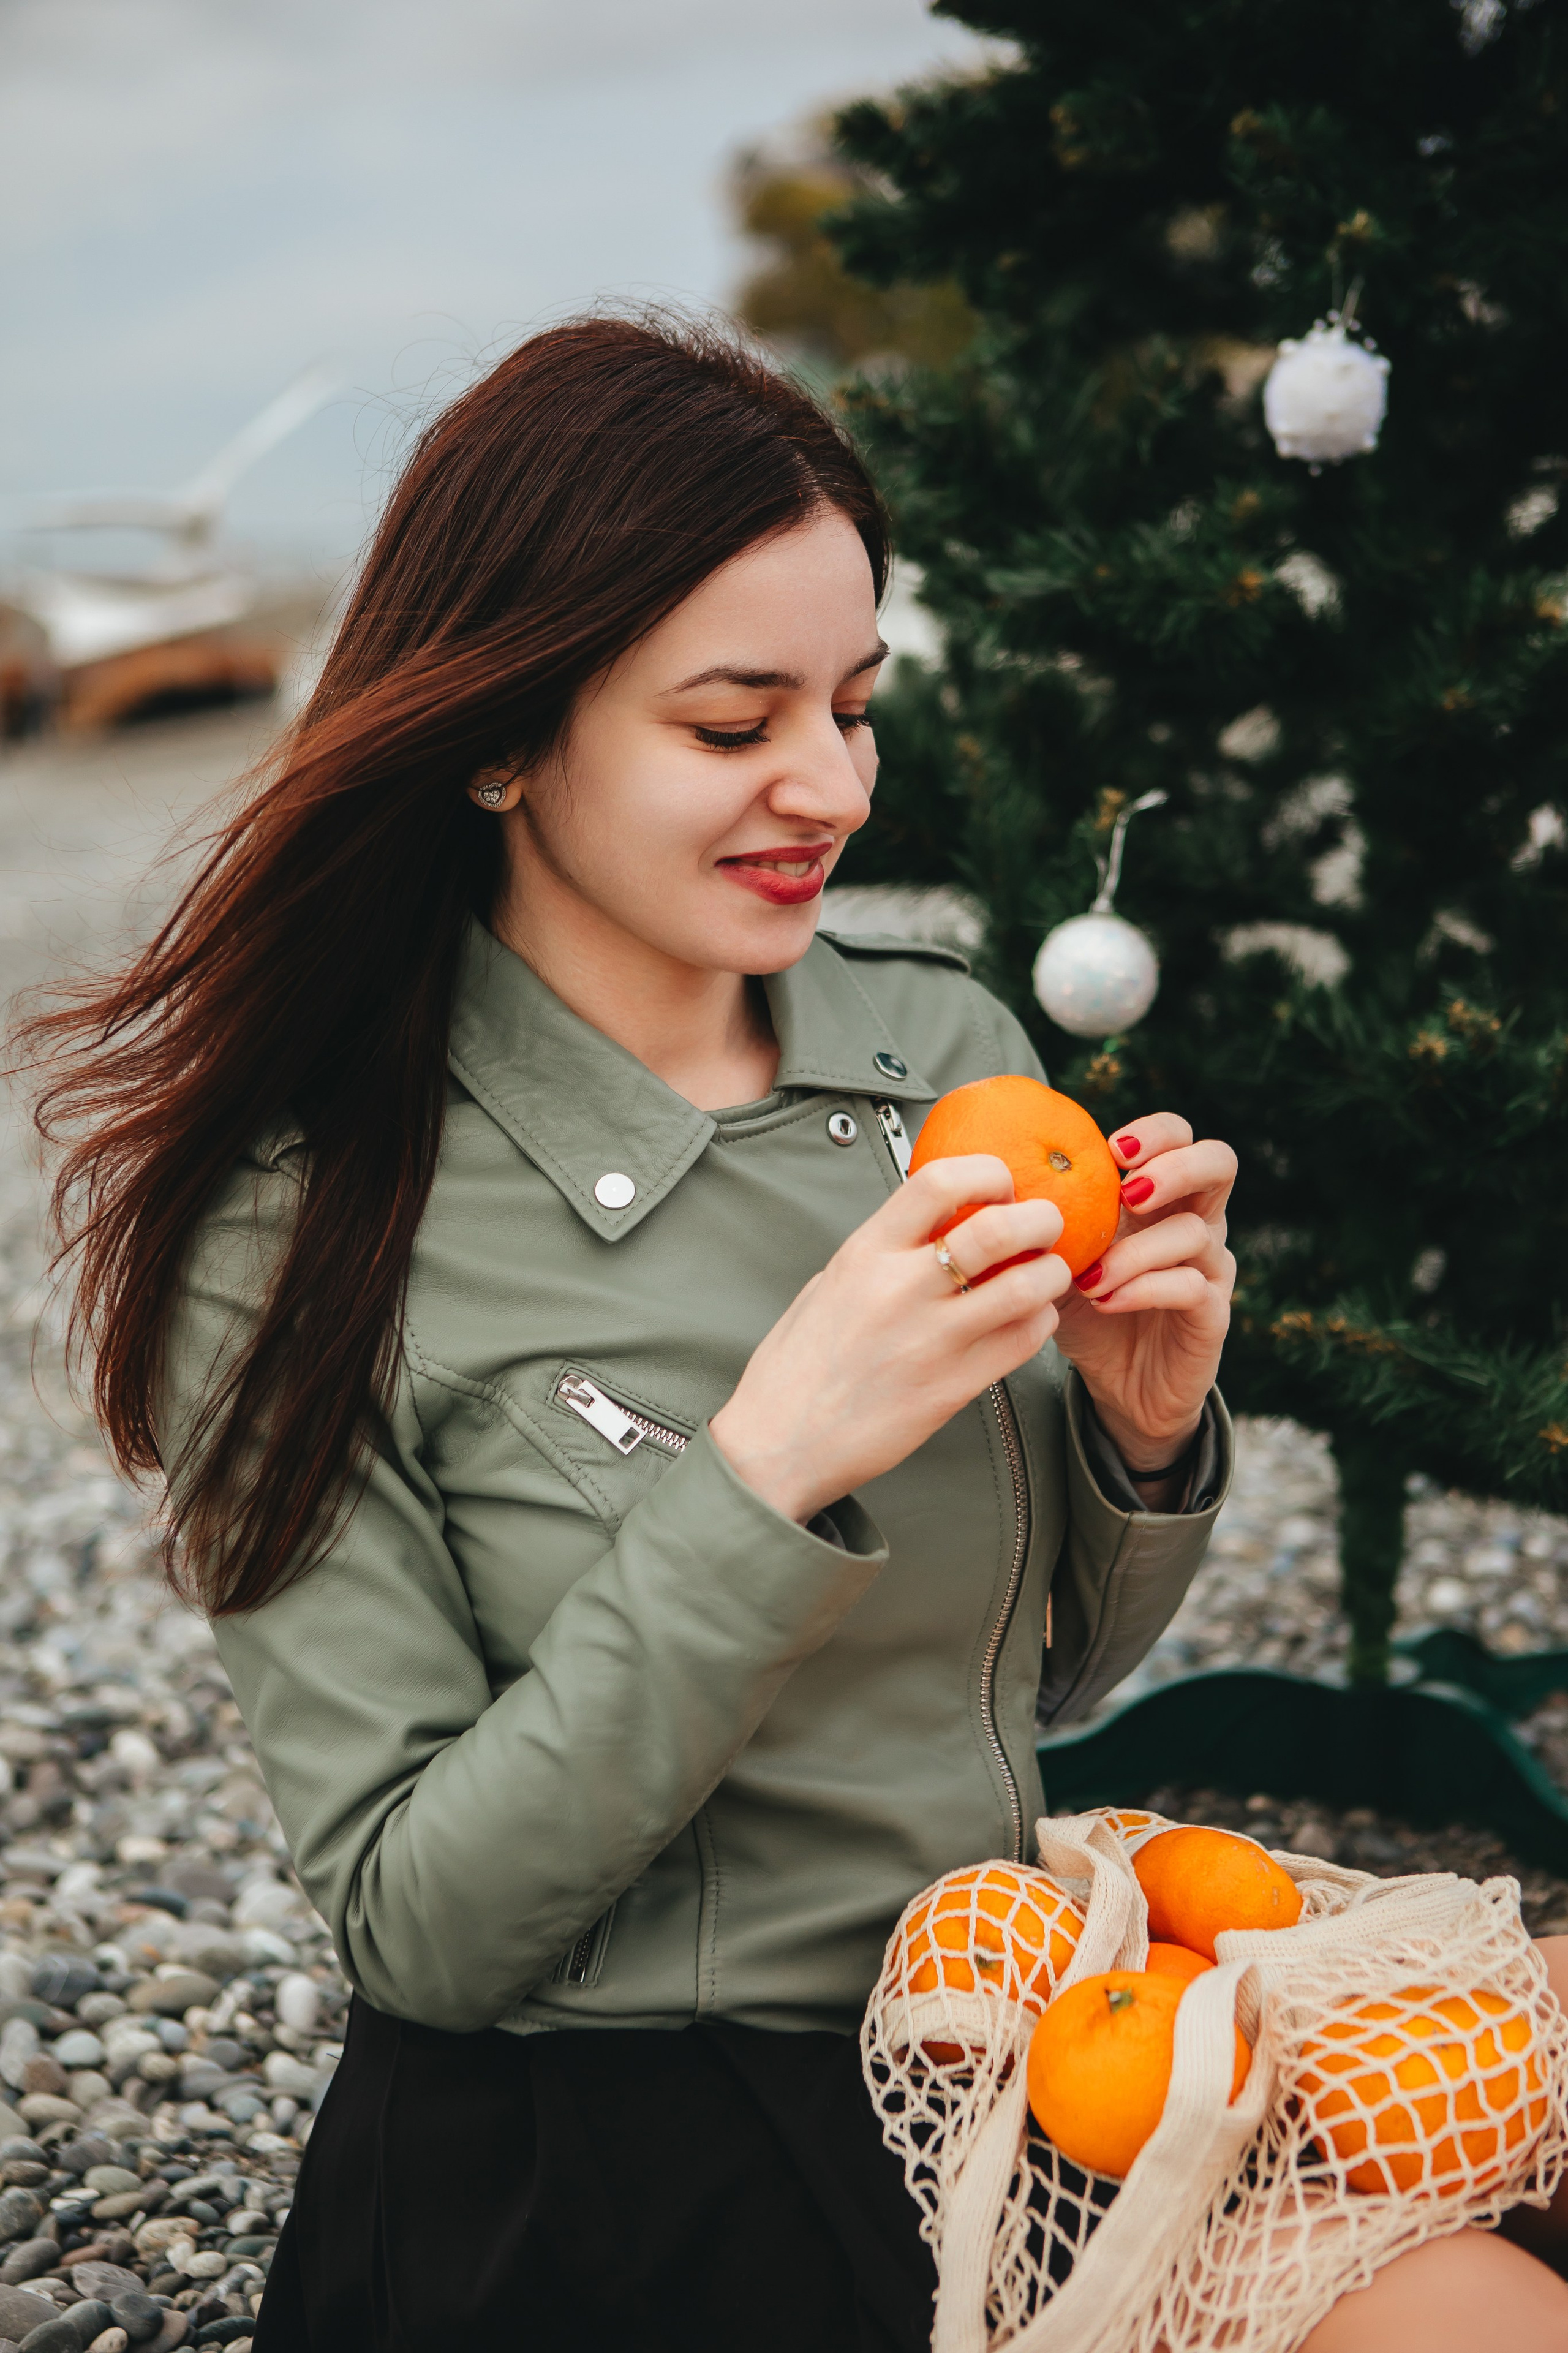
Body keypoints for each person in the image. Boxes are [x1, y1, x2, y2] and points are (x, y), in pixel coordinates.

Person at [27, 317, 1568, 2351]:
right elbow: (425, 1928)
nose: (830, 786)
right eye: (731, 720)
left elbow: (1032, 1671)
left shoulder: (949, 1047)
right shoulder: (306, 1221)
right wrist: (765, 1470)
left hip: (1019, 1989)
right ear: (498, 735)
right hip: (648, 2129)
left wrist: (1139, 1437)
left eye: (854, 705)